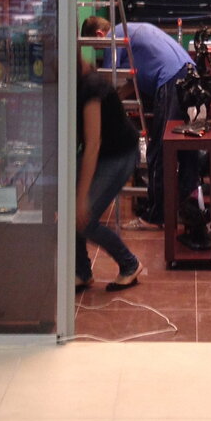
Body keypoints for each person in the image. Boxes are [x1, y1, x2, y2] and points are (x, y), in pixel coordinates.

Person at [80, 16, 199, 229]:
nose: (100, 50)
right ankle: (185, 210)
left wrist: (90, 99)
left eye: (97, 46)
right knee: (185, 149)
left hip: (170, 79)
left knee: (159, 150)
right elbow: (126, 86)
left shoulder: (114, 37)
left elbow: (105, 82)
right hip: (188, 73)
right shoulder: (130, 30)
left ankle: (156, 217)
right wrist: (116, 99)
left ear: (99, 35)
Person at [75, 52, 142, 292]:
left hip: (120, 154)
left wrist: (82, 198)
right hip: (105, 152)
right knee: (72, 212)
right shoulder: (78, 82)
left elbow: (93, 144)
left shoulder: (92, 88)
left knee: (85, 219)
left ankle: (129, 264)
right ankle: (81, 271)